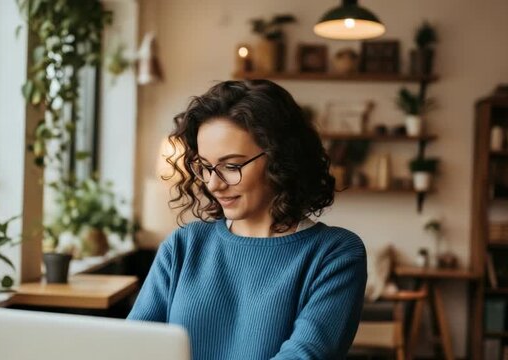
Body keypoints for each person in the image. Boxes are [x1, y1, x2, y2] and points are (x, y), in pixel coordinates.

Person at [128, 80, 367, 360]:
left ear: (281, 159)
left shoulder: (334, 253)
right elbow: (135, 345)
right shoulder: (184, 245)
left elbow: (305, 354)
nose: (213, 185)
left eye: (231, 166)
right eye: (205, 167)